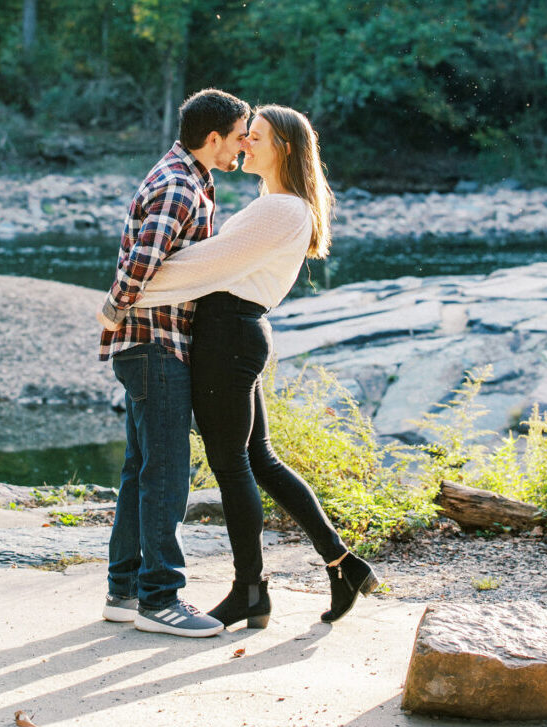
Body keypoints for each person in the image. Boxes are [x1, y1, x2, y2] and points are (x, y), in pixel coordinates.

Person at [131, 105, 379, 629]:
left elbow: (205, 265)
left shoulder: (282, 210)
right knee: (259, 459)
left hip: (228, 335)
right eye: (244, 136)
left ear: (284, 147)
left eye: (256, 137)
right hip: (237, 333)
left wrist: (134, 291)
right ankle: (342, 563)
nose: (244, 144)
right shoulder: (279, 205)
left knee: (232, 465)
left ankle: (250, 590)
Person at [96, 87, 250, 637]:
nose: (242, 147)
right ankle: (160, 599)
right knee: (167, 473)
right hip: (156, 347)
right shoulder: (180, 186)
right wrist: (112, 309)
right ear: (213, 138)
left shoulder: (188, 177)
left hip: (151, 347)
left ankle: (125, 589)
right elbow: (141, 264)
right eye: (237, 137)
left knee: (142, 470)